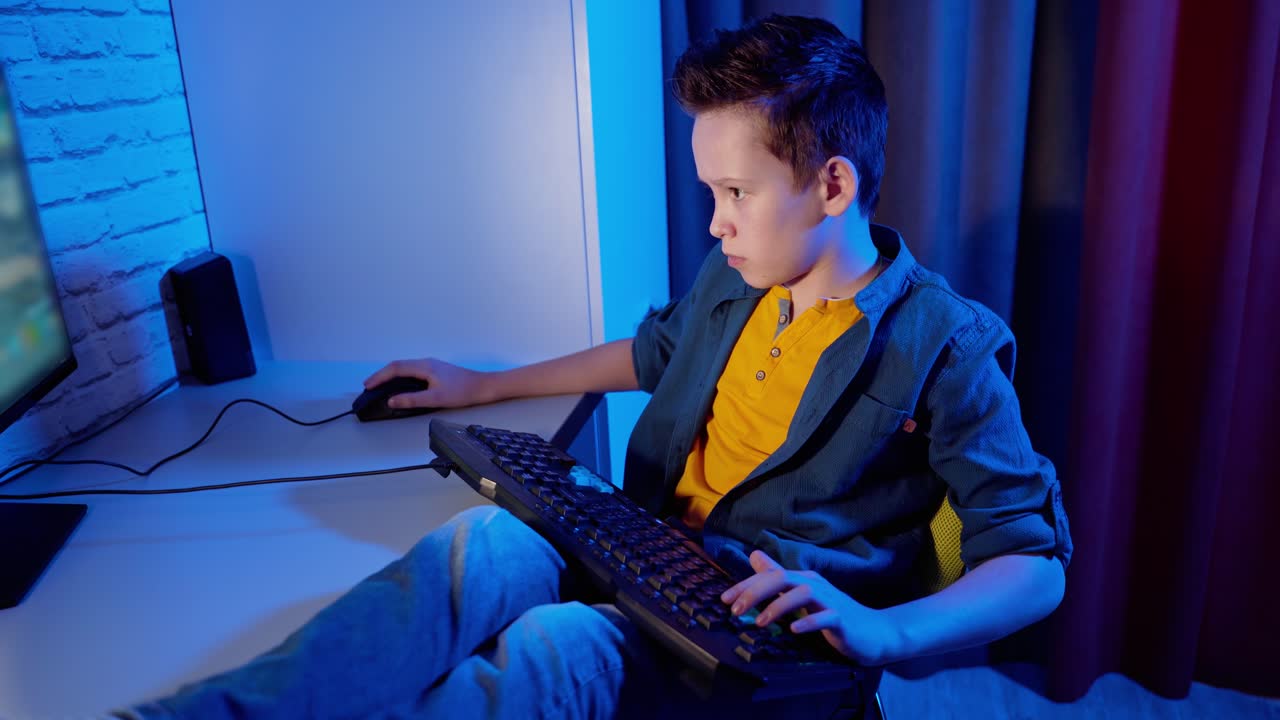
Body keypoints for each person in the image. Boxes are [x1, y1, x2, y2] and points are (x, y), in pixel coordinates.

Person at [118, 14, 1071, 720]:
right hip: (645, 546)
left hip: (757, 631)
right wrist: (480, 385)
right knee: (481, 544)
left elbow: (1031, 563)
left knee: (552, 645)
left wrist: (886, 630)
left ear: (832, 183)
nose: (715, 221)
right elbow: (652, 354)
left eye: (736, 192)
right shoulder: (736, 277)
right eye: (712, 191)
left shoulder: (949, 342)